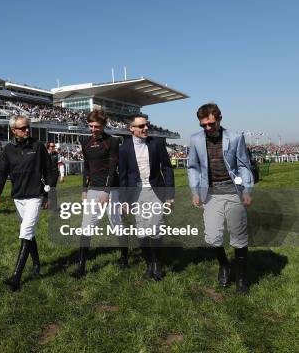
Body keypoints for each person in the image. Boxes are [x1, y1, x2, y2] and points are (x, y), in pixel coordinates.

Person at [188, 103, 253, 294]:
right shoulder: (195, 140)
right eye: (203, 125)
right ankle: (224, 265)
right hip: (211, 194)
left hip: (234, 192)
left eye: (211, 124)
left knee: (238, 236)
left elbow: (243, 166)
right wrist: (194, 191)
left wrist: (247, 190)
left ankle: (241, 278)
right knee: (213, 236)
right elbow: (193, 167)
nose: (208, 128)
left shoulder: (235, 137)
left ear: (220, 118)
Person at [0, 115, 55, 291]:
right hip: (18, 197)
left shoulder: (38, 146)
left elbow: (49, 170)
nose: (27, 130)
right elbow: (0, 172)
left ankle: (16, 277)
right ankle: (36, 264)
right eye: (22, 128)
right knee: (29, 233)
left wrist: (50, 194)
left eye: (28, 127)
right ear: (14, 131)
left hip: (36, 195)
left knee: (26, 230)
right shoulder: (8, 149)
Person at [71, 109, 127, 278]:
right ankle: (81, 267)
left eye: (96, 126)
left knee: (116, 223)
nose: (93, 129)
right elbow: (86, 167)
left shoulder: (112, 141)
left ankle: (124, 258)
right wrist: (84, 190)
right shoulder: (85, 141)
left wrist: (106, 192)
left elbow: (112, 168)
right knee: (86, 225)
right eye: (90, 126)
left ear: (103, 125)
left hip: (111, 189)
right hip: (93, 189)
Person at [119, 114, 175, 281]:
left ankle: (157, 264)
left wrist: (170, 195)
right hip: (136, 194)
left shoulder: (156, 143)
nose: (146, 128)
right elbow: (122, 175)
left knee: (156, 226)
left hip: (156, 191)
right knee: (142, 231)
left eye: (146, 125)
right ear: (131, 128)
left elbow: (166, 168)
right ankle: (149, 263)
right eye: (141, 126)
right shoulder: (124, 149)